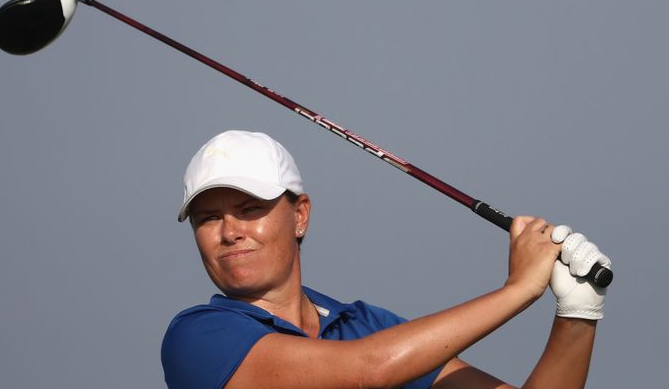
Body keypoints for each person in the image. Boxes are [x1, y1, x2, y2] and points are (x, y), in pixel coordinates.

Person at [161, 130, 611, 388]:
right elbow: (367, 371)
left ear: (300, 216)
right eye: (207, 218)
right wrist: (519, 289)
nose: (230, 232)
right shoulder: (198, 337)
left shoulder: (367, 325)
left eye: (249, 210)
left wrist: (578, 313)